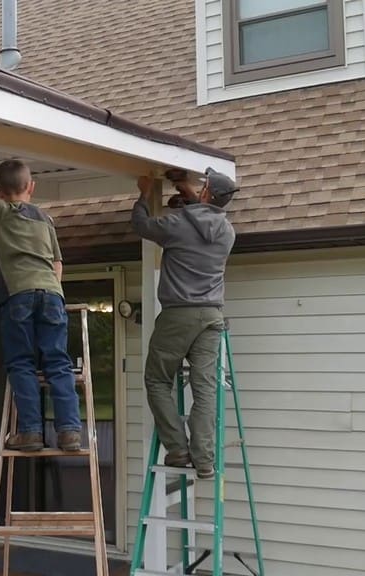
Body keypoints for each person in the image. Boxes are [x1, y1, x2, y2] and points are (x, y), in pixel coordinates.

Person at [0, 124, 82, 452]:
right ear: (31, 187)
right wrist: (51, 290)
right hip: (51, 293)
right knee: (57, 361)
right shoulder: (45, 220)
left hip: (17, 295)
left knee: (21, 362)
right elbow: (57, 264)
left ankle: (31, 433)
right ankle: (69, 431)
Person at [131, 167, 238, 479]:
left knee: (157, 379)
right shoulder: (227, 233)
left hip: (179, 315)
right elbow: (205, 214)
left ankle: (177, 449)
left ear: (205, 194)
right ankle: (204, 461)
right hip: (212, 317)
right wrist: (190, 192)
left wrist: (142, 192)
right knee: (205, 390)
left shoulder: (176, 224)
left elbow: (141, 224)